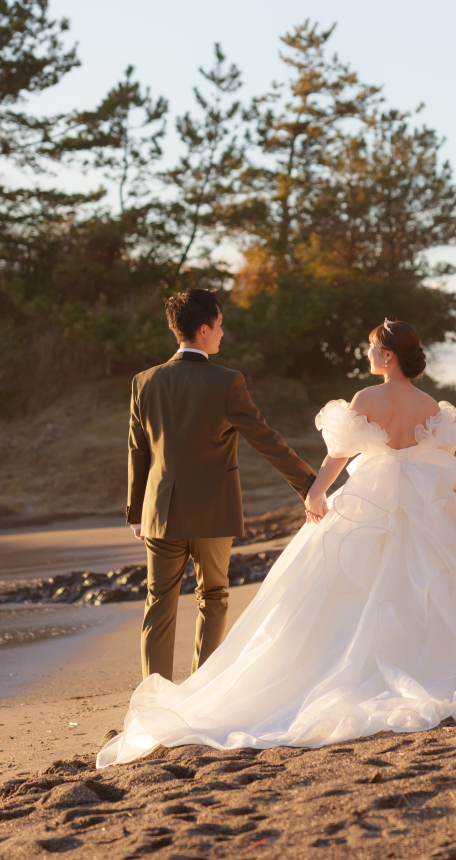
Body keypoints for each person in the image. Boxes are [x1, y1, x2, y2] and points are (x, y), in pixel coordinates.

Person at [99, 318, 456, 767]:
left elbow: (336, 456)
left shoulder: (367, 397)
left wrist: (314, 493)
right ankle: (433, 662)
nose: (368, 350)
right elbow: (438, 464)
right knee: (432, 588)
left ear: (388, 355)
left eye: (374, 345)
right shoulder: (430, 406)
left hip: (368, 506)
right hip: (424, 509)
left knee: (333, 596)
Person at [125, 287, 316, 683]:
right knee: (213, 597)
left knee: (158, 602)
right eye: (220, 326)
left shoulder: (144, 382)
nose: (223, 333)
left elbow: (137, 451)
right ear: (203, 329)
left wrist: (135, 512)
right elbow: (265, 439)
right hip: (213, 513)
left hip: (159, 511)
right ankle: (200, 691)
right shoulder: (227, 382)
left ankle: (151, 702)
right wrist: (309, 484)